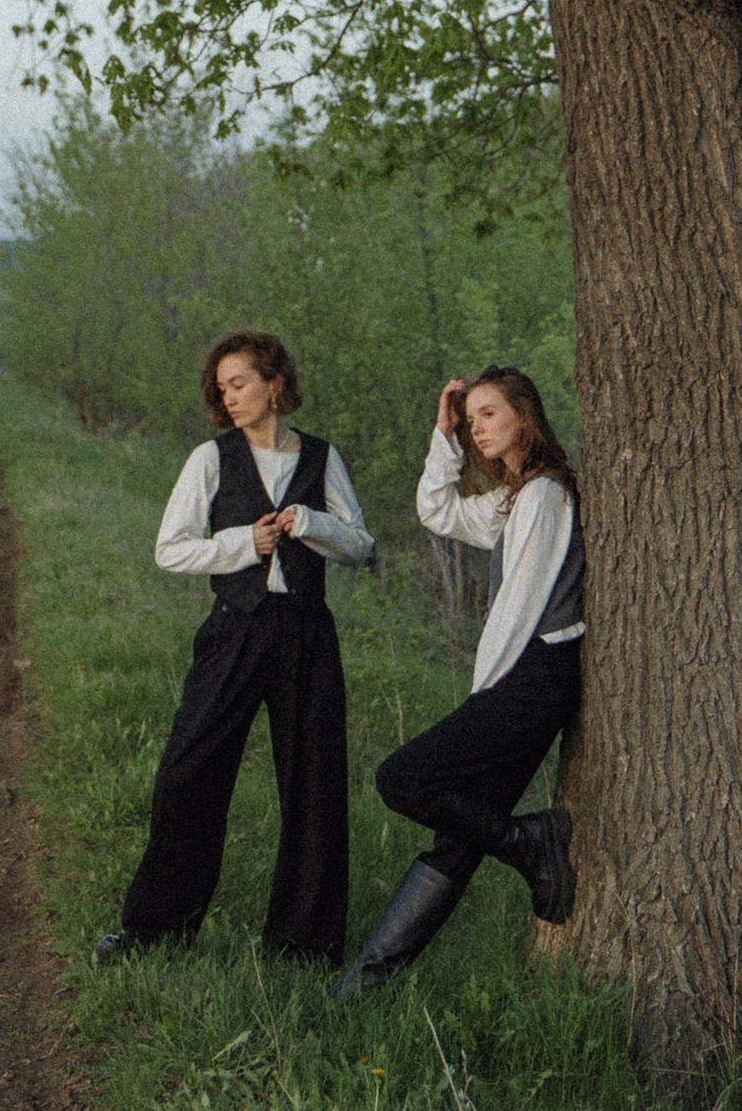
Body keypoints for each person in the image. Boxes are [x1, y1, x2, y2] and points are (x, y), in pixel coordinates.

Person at [96, 329, 375, 969]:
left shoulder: (322, 459)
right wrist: (242, 544)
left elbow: (362, 545)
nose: (230, 397)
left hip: (306, 634)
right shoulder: (211, 459)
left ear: (276, 384)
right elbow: (171, 549)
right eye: (223, 389)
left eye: (240, 383)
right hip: (234, 630)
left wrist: (314, 525)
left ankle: (304, 948)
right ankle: (156, 932)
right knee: (189, 774)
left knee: (314, 786)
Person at [335, 366, 582, 999]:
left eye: (490, 414)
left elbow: (522, 605)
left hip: (532, 678)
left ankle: (529, 842)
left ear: (525, 414)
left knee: (401, 778)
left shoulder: (546, 496)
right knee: (457, 841)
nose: (478, 428)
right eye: (471, 420)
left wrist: (485, 695)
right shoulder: (514, 498)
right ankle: (369, 981)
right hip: (525, 681)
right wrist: (443, 436)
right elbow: (436, 509)